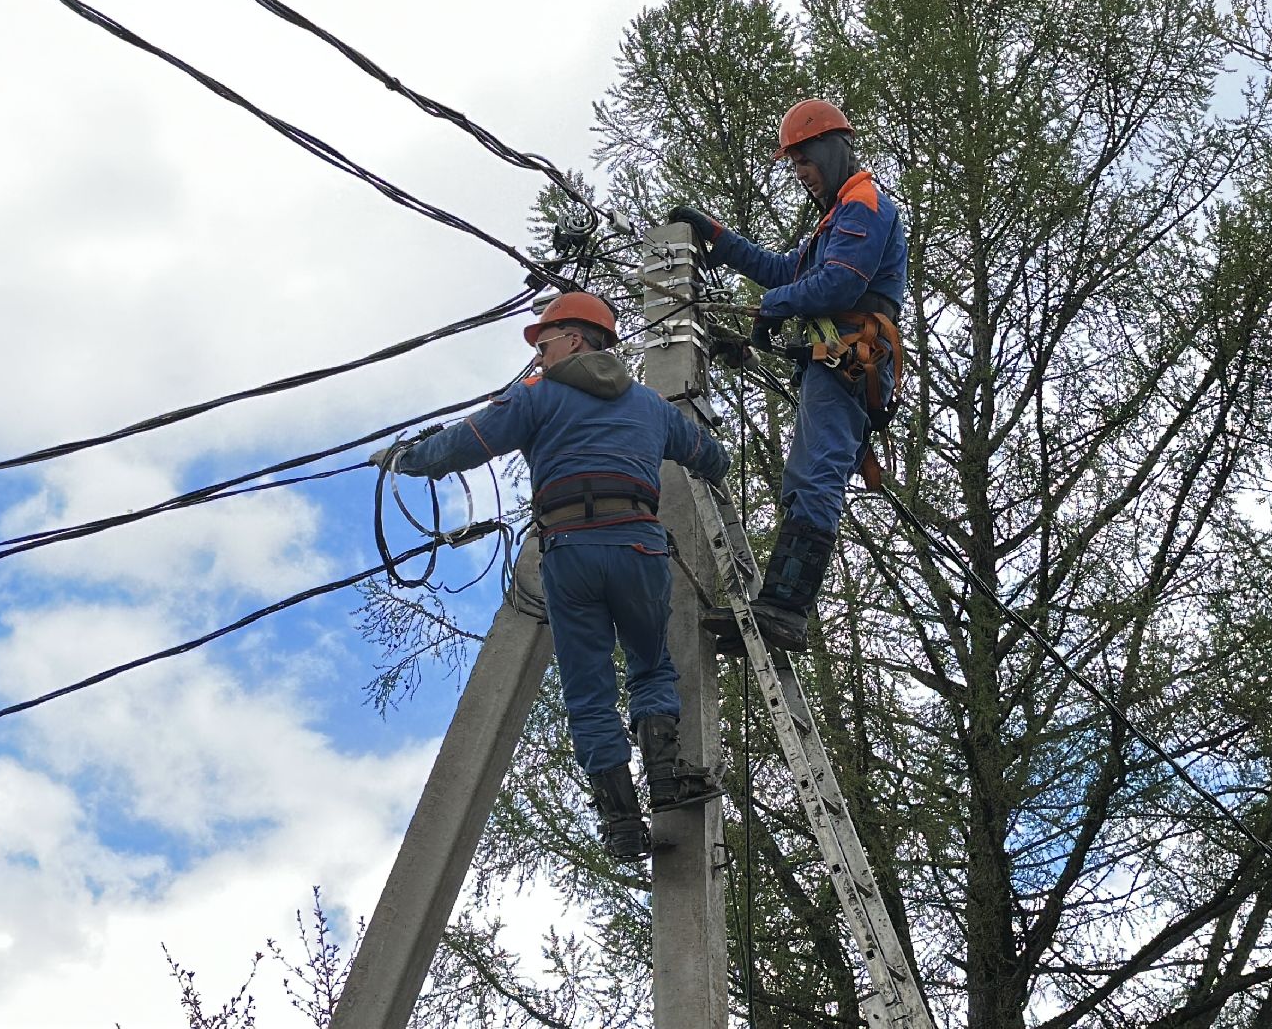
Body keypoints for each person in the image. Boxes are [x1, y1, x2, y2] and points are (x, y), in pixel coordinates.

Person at [370, 291, 731, 863]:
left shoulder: (539, 397)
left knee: (590, 692)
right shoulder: (651, 406)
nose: (536, 355)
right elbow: (711, 457)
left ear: (575, 340)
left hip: (570, 550)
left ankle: (620, 823)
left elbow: (463, 445)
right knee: (651, 666)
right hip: (638, 545)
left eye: (543, 342)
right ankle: (666, 779)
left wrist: (403, 458)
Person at [667, 98, 908, 653]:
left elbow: (838, 286)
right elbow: (787, 271)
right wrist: (718, 238)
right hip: (834, 360)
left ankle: (785, 611)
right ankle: (779, 605)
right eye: (794, 164)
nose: (801, 174)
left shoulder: (863, 205)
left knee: (815, 474)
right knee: (804, 477)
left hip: (851, 360)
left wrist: (773, 306)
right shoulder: (837, 218)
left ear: (831, 147)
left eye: (804, 160)